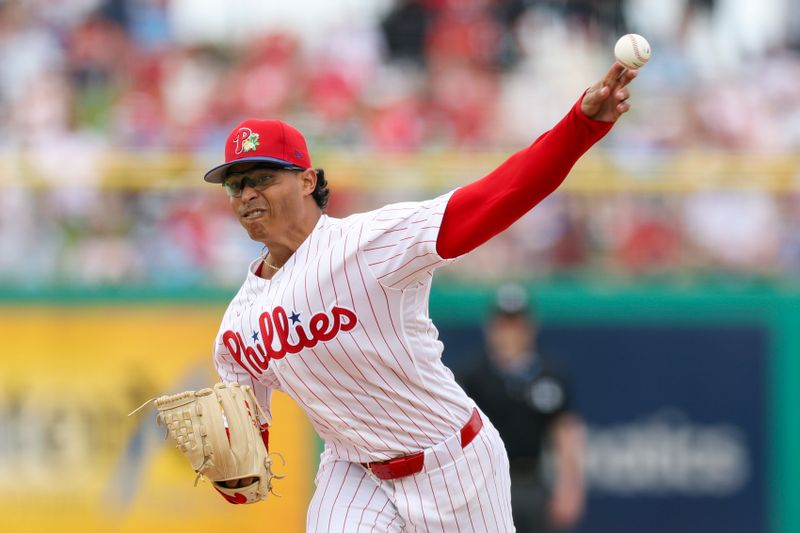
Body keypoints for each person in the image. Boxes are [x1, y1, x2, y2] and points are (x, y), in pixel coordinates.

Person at [204, 62, 636, 532]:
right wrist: (231, 466)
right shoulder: (236, 329)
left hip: (453, 464)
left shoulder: (368, 242)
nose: (246, 193)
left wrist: (581, 126)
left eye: (262, 177)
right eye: (235, 184)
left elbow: (496, 197)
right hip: (353, 473)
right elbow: (245, 466)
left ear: (308, 181)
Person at [458, 284, 586, 533]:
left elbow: (565, 432)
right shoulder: (472, 375)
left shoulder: (549, 374)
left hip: (531, 481)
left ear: (530, 326)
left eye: (516, 323)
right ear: (491, 326)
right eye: (504, 323)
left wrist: (570, 487)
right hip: (486, 487)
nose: (510, 333)